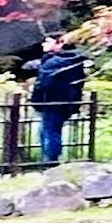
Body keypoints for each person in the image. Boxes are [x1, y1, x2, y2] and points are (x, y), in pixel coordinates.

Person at [27, 40, 89, 170]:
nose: (43, 44)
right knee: (52, 130)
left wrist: (36, 98)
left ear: (58, 44)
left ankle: (49, 161)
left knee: (48, 131)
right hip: (68, 101)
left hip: (50, 101)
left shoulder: (52, 63)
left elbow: (44, 84)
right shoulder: (75, 61)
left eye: (47, 41)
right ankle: (51, 159)